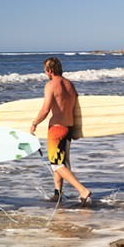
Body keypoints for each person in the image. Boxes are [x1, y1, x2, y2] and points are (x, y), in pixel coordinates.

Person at [30, 57, 92, 206]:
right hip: (68, 128)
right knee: (61, 163)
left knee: (57, 164)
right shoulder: (70, 85)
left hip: (57, 129)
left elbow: (45, 110)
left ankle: (82, 190)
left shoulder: (51, 85)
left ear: (50, 70)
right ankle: (57, 194)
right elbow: (75, 108)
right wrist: (77, 129)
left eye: (45, 69)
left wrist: (34, 124)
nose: (45, 72)